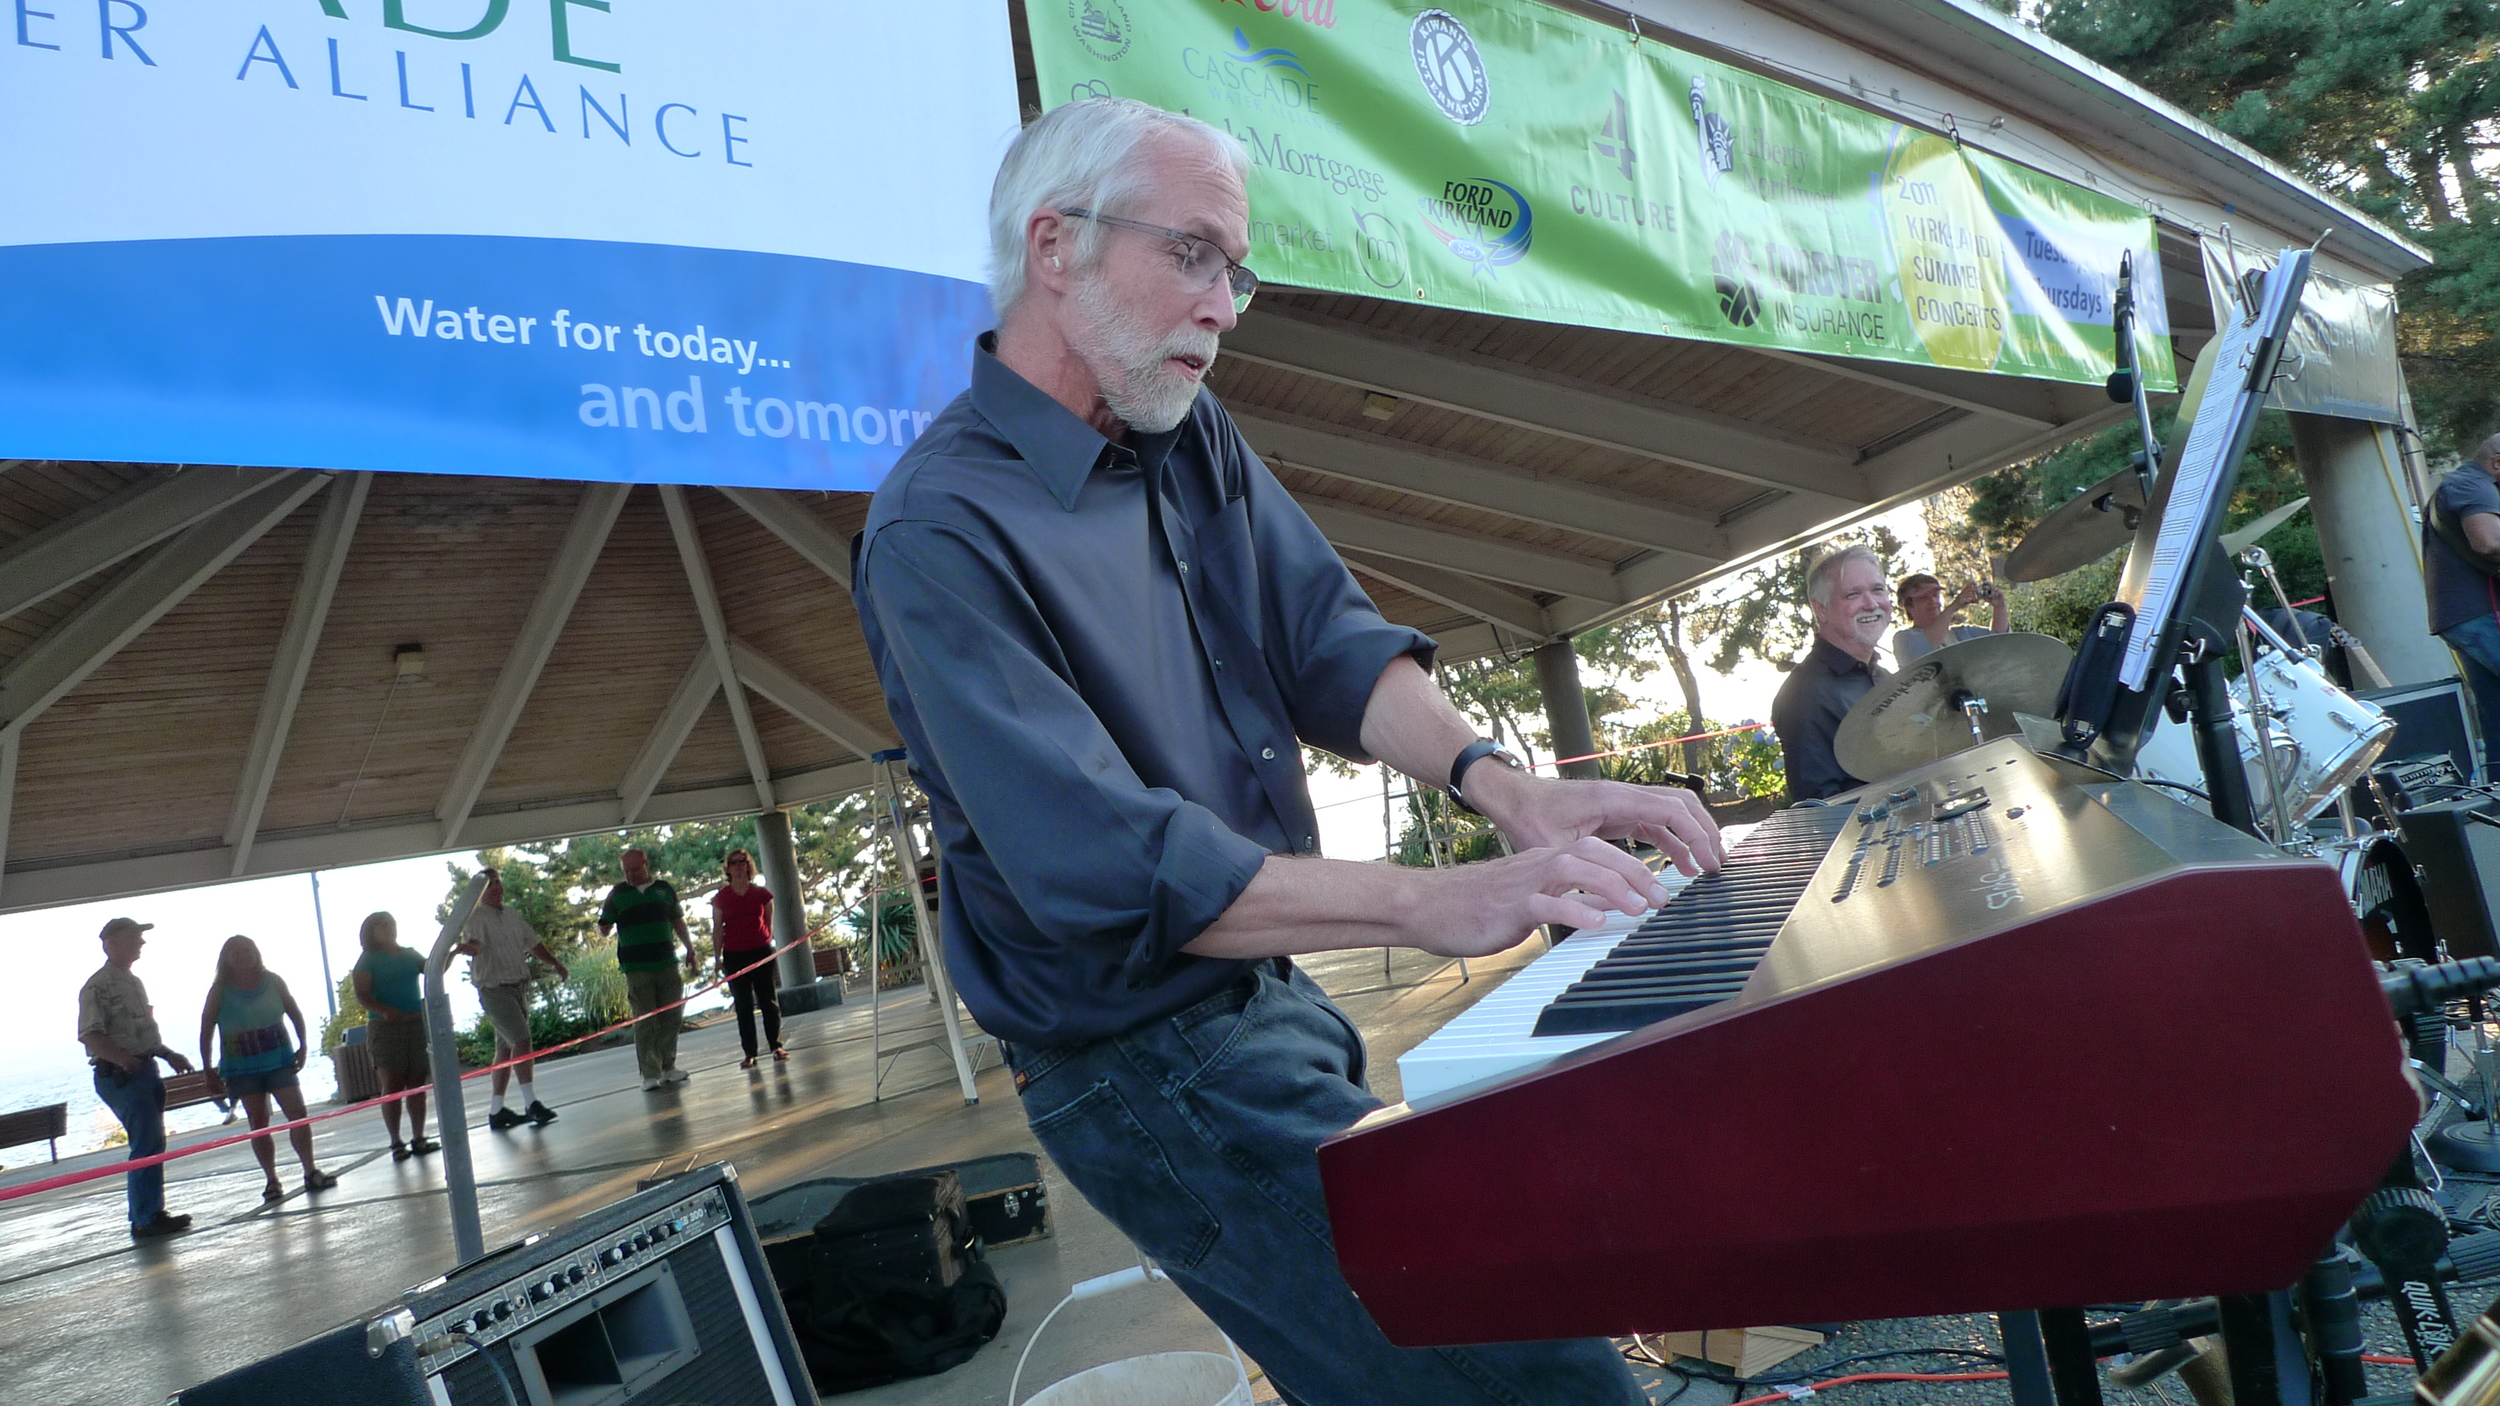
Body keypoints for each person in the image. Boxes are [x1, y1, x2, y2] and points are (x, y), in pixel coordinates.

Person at [853, 97, 1722, 1406]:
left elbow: (1328, 637)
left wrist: (1506, 788)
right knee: (1541, 1373)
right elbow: (1110, 865)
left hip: (1267, 1008)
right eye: (1193, 254)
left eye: (1237, 268)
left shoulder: (1186, 430)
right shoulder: (936, 532)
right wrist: (1435, 901)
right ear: (1054, 246)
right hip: (1146, 1068)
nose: (1226, 303)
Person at [76, 916, 196, 1241]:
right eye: (133, 938)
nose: (141, 944)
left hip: (144, 1069)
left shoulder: (134, 983)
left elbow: (143, 1033)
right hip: (122, 1075)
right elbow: (90, 1035)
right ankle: (145, 1218)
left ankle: (150, 1212)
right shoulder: (97, 987)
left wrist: (168, 1054)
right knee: (145, 1143)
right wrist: (123, 1060)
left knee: (154, 1142)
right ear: (111, 943)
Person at [196, 936, 337, 1202]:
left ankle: (310, 1170)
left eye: (247, 949)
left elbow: (294, 1011)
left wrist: (303, 1045)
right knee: (258, 1122)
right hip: (242, 1068)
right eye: (235, 951)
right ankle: (271, 1178)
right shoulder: (219, 990)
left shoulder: (273, 981)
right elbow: (206, 1029)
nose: (242, 955)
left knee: (298, 1114)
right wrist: (207, 1068)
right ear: (225, 959)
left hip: (279, 1061)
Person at [1772, 544, 1895, 802]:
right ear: (1821, 610)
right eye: (1853, 594)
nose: (1871, 603)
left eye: (1878, 589)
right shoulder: (1804, 695)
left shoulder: (1883, 677)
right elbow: (1820, 811)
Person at [455, 868, 569, 1130]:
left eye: (498, 882)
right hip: (494, 988)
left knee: (505, 1049)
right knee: (521, 1039)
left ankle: (497, 1110)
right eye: (490, 885)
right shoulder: (476, 917)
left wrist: (556, 963)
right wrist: (465, 949)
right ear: (480, 891)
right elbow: (475, 945)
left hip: (518, 985)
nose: (496, 888)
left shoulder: (512, 915)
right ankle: (531, 1102)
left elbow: (533, 944)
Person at [2423, 433, 2500, 774]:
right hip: (2480, 614)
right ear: (2497, 462)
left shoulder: (2463, 484)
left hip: (2464, 616)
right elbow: (2488, 542)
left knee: (2496, 716)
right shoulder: (2474, 485)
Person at [598, 848, 698, 1091]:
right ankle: (649, 1074)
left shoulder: (664, 889)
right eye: (626, 871)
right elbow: (603, 925)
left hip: (666, 961)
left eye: (635, 869)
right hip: (636, 966)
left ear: (646, 865)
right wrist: (605, 926)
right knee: (645, 1020)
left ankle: (668, 1066)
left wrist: (690, 949)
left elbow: (677, 920)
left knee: (672, 1016)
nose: (631, 875)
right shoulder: (618, 893)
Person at [351, 911, 435, 1159]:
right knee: (392, 1086)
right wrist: (385, 1010)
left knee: (416, 1084)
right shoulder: (367, 960)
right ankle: (396, 1141)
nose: (389, 930)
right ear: (371, 932)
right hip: (385, 1028)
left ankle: (419, 1136)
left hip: (416, 1023)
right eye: (382, 926)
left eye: (391, 925)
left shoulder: (409, 954)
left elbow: (433, 968)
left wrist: (453, 950)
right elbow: (362, 994)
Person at [710, 848, 787, 1069]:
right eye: (733, 862)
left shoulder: (761, 894)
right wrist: (717, 959)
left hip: (760, 952)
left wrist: (767, 941)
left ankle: (776, 1045)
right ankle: (749, 1053)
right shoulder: (721, 898)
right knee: (743, 1005)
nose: (738, 866)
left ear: (748, 865)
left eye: (742, 861)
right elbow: (718, 929)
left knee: (768, 1001)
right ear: (728, 868)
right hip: (734, 955)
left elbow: (769, 920)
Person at [1891, 571, 2006, 662]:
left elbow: (1999, 640)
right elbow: (1923, 649)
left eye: (1935, 595)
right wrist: (1954, 606)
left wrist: (1999, 607)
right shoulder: (1903, 639)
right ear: (1909, 607)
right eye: (1924, 597)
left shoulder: (1960, 633)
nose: (1933, 601)